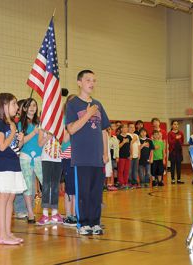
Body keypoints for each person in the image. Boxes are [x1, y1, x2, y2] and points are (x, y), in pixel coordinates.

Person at [66, 70, 110, 236]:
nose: (92, 83)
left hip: (97, 157)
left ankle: (95, 222)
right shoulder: (73, 104)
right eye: (88, 80)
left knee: (96, 192)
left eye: (94, 80)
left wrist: (105, 152)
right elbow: (71, 129)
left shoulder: (98, 104)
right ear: (79, 83)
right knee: (83, 192)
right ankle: (83, 223)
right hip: (82, 157)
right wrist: (87, 114)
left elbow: (104, 131)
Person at [0, 93, 27, 245]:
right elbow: (2, 146)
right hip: (3, 164)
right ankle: (1, 234)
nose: (17, 107)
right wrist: (12, 133)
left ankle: (8, 232)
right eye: (14, 104)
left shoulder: (13, 124)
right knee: (3, 198)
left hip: (14, 163)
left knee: (11, 197)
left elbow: (15, 148)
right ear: (4, 105)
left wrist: (20, 140)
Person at [16, 98, 43, 224]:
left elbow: (41, 142)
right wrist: (34, 132)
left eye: (34, 105)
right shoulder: (21, 124)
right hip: (26, 157)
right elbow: (21, 143)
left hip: (39, 157)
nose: (32, 108)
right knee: (28, 186)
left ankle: (49, 212)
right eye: (30, 106)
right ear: (24, 109)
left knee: (45, 182)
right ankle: (30, 213)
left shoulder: (40, 122)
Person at [61, 94, 77, 226]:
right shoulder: (64, 119)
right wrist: (70, 128)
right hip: (67, 156)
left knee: (77, 188)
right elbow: (64, 140)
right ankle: (68, 215)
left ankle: (76, 213)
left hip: (80, 157)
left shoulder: (81, 119)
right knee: (70, 187)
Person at [117, 124, 132, 189]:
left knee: (126, 170)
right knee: (121, 170)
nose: (126, 128)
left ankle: (126, 183)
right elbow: (117, 147)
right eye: (124, 127)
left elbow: (130, 146)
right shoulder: (118, 137)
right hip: (121, 156)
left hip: (127, 156)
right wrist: (123, 142)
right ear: (121, 129)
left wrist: (131, 154)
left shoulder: (129, 136)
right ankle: (121, 183)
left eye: (126, 127)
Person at [107, 126, 119, 191]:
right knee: (107, 170)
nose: (110, 131)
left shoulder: (114, 137)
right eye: (108, 129)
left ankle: (112, 183)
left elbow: (117, 147)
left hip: (113, 156)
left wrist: (117, 156)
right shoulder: (105, 137)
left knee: (113, 170)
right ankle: (106, 184)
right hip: (107, 156)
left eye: (111, 129)